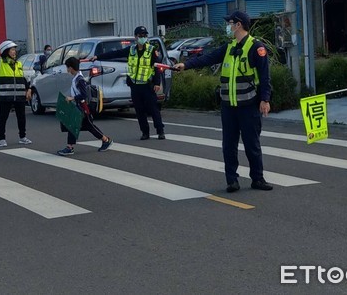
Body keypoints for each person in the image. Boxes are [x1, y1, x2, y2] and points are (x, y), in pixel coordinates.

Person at [174, 11, 273, 193]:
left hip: (249, 106)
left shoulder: (256, 47)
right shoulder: (229, 47)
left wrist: (265, 99)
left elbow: (265, 77)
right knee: (229, 146)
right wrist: (186, 65)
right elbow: (207, 58)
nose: (228, 26)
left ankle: (257, 179)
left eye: (230, 23)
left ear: (239, 25)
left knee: (252, 145)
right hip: (228, 107)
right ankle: (232, 181)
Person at [91, 26, 165, 140]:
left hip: (147, 85)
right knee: (139, 111)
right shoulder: (131, 50)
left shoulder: (151, 50)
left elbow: (157, 68)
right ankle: (145, 132)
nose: (143, 38)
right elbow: (115, 53)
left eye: (145, 36)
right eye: (140, 36)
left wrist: (156, 83)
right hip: (135, 86)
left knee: (153, 109)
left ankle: (160, 131)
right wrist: (98, 57)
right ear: (136, 37)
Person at [0, 37, 32, 147]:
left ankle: (22, 137)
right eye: (12, 50)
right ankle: (2, 138)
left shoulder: (18, 64)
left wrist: (28, 89)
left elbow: (22, 78)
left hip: (19, 96)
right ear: (6, 51)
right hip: (5, 96)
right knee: (3, 117)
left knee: (21, 117)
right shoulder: (0, 63)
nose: (14, 52)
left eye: (14, 49)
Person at [57, 57, 113, 156]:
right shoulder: (77, 78)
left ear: (70, 68)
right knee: (78, 126)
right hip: (79, 106)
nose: (67, 70)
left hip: (82, 107)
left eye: (67, 67)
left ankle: (106, 140)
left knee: (86, 126)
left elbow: (84, 95)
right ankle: (105, 140)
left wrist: (72, 98)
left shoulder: (79, 79)